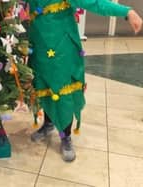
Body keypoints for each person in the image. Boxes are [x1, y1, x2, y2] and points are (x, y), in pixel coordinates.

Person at [28, 0, 142, 162]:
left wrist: (127, 12)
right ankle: (48, 123)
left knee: (63, 88)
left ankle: (65, 136)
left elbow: (94, 3)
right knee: (45, 84)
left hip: (62, 46)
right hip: (39, 44)